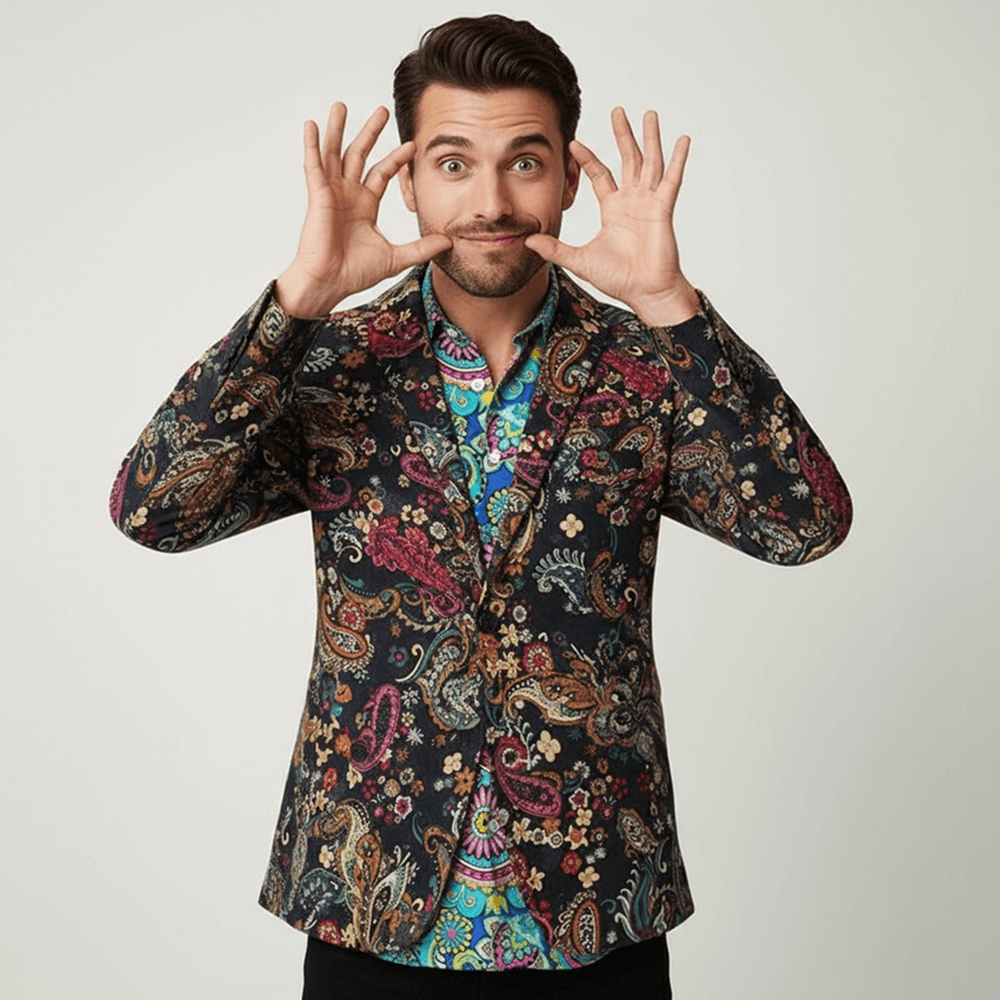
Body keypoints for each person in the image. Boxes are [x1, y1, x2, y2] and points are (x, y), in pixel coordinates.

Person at [109, 14, 852, 999]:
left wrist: (673, 304)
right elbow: (153, 507)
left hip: (595, 907)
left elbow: (803, 523)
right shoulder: (332, 365)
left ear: (570, 178)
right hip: (372, 903)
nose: (491, 200)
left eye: (525, 162)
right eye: (454, 163)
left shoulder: (646, 368)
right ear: (409, 179)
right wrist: (296, 300)